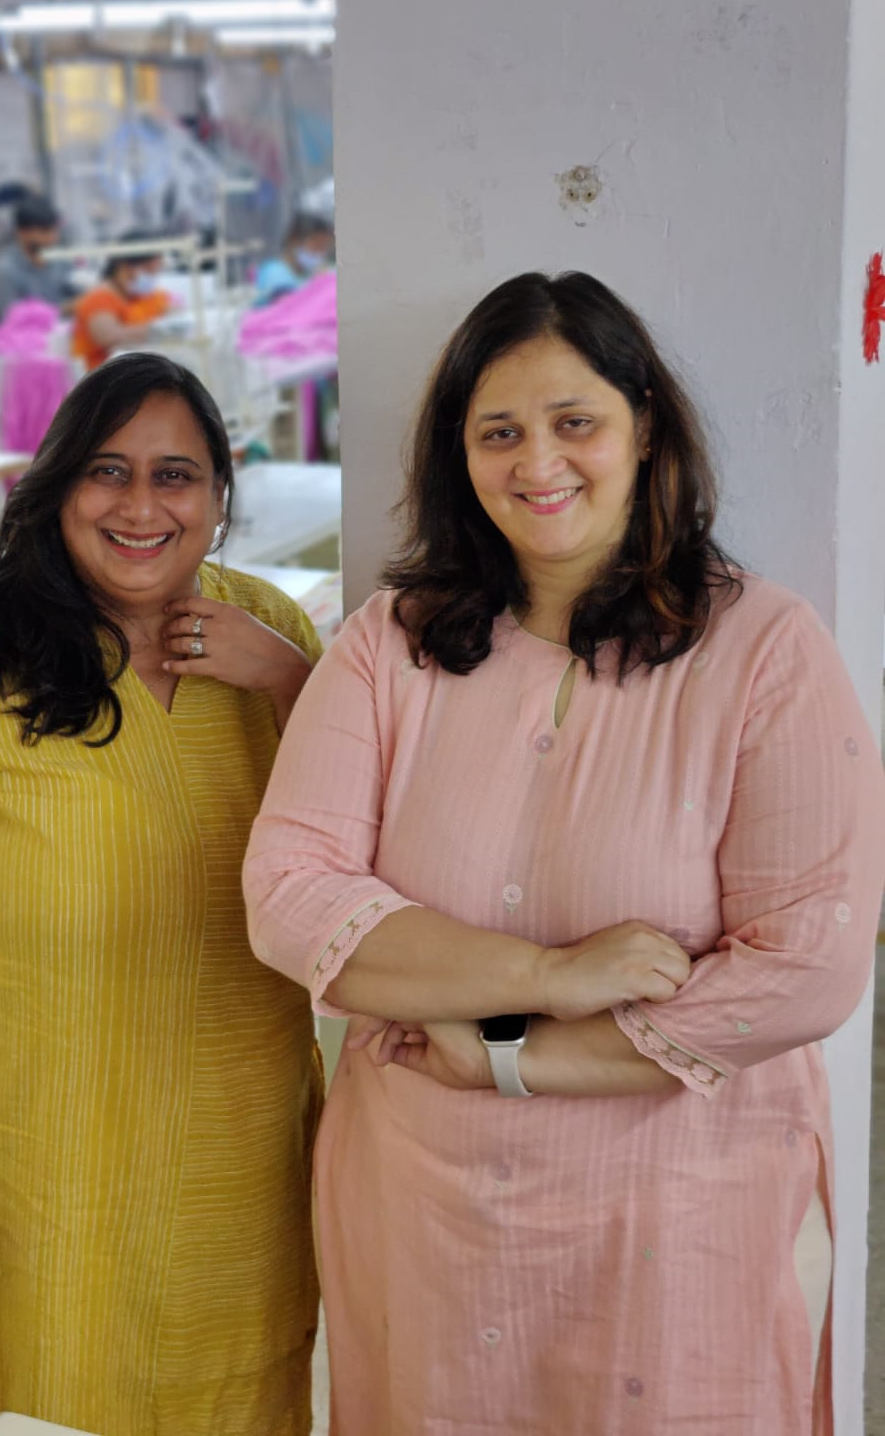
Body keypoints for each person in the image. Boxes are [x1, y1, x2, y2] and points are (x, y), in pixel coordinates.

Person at [243, 270, 885, 1436]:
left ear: (646, 427)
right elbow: (289, 893)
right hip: (422, 1213)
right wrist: (551, 975)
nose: (538, 462)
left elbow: (809, 966)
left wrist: (506, 1057)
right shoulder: (389, 645)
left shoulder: (764, 651)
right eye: (499, 432)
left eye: (574, 420)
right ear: (461, 454)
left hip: (668, 1216)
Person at [0, 354, 324, 1436]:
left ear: (220, 494)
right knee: (35, 1390)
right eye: (108, 470)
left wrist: (292, 679)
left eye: (175, 474)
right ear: (58, 488)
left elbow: (367, 844)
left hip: (237, 1149)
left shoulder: (272, 632)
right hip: (21, 1155)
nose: (141, 506)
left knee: (228, 1395)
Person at [71, 235, 173, 371]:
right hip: (107, 374)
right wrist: (157, 329)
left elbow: (170, 312)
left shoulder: (143, 295)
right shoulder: (98, 298)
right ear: (124, 266)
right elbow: (108, 337)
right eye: (148, 271)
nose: (152, 278)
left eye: (155, 272)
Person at [0, 194, 77, 323]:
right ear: (21, 233)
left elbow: (73, 290)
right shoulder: (3, 272)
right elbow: (14, 321)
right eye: (44, 231)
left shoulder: (58, 261)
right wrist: (64, 310)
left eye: (55, 230)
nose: (53, 237)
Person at [253, 212, 334, 307]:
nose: (320, 252)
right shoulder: (274, 273)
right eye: (317, 245)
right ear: (294, 240)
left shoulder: (305, 274)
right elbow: (289, 309)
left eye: (324, 247)